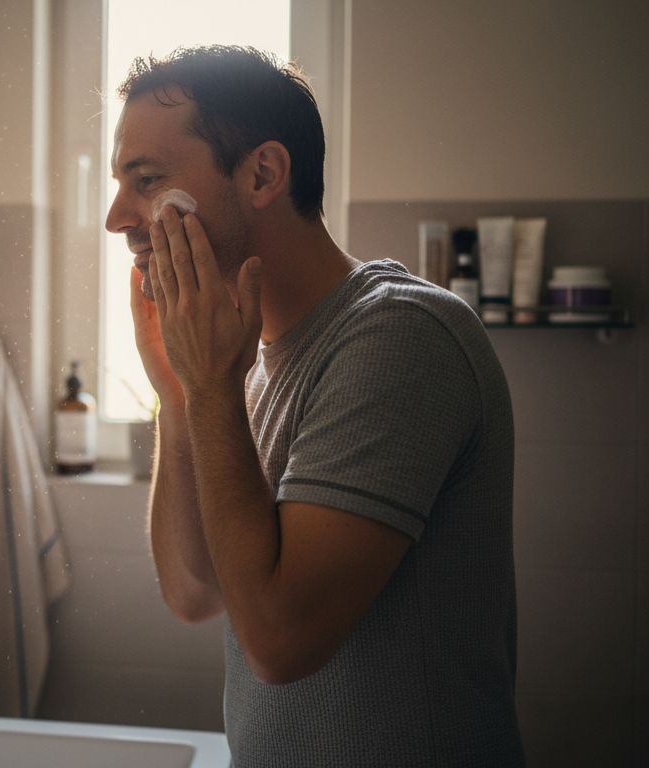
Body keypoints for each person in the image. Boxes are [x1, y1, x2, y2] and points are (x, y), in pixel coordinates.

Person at [105, 45, 525, 767]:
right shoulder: (252, 362)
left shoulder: (401, 336)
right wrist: (178, 394)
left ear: (264, 173)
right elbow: (195, 590)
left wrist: (209, 389)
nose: (118, 218)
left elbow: (279, 640)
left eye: (146, 181)